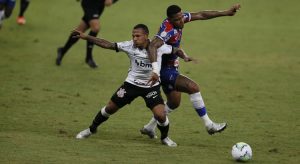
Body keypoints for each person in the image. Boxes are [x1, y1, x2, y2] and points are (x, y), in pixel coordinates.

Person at [73, 24, 187, 147]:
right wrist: (86, 37)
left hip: (151, 87)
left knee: (160, 115)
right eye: (133, 36)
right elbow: (107, 44)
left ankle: (165, 138)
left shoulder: (159, 47)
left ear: (146, 36)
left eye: (138, 36)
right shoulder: (129, 46)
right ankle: (91, 129)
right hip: (131, 85)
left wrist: (184, 56)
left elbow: (176, 50)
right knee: (109, 108)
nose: (134, 38)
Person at [141, 4, 241, 138]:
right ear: (170, 20)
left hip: (172, 67)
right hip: (164, 71)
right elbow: (152, 45)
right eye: (177, 19)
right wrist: (155, 70)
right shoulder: (167, 30)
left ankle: (149, 127)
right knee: (193, 87)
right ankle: (209, 125)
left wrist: (226, 13)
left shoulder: (179, 19)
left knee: (174, 103)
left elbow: (201, 14)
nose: (181, 21)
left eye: (182, 17)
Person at [56, 0, 118, 68]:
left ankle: (62, 50)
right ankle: (89, 57)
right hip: (89, 3)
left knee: (80, 30)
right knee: (95, 28)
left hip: (99, 4)